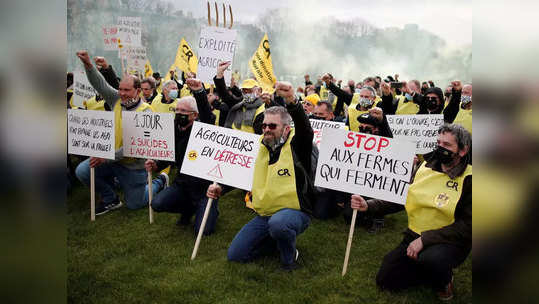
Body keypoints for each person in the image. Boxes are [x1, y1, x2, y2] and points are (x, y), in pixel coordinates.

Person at [351, 123, 472, 300]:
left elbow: (468, 226)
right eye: (438, 143)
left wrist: (425, 240)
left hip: (449, 242)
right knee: (385, 280)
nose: (440, 148)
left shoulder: (471, 179)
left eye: (447, 145)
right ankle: (427, 270)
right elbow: (403, 197)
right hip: (413, 235)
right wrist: (369, 205)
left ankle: (445, 282)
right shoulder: (424, 168)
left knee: (433, 260)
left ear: (463, 150)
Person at [206, 82, 314, 271]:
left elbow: (306, 130)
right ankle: (277, 241)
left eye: (272, 125)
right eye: (264, 125)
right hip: (265, 214)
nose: (266, 129)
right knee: (236, 256)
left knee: (279, 224)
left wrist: (291, 100)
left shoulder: (298, 144)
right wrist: (221, 189)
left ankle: (289, 259)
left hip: (295, 212)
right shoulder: (258, 145)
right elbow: (241, 173)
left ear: (286, 128)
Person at [74, 50, 153, 214]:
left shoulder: (146, 113)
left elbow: (132, 147)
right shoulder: (116, 99)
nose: (122, 93)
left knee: (135, 204)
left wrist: (105, 156)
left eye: (127, 90)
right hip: (112, 160)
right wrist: (88, 64)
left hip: (133, 167)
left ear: (138, 91)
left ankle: (159, 182)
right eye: (120, 89)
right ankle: (111, 199)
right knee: (82, 171)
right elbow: (99, 84)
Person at [144, 78, 218, 234]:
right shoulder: (174, 128)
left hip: (203, 188)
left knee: (204, 231)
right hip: (182, 183)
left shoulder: (203, 128)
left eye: (183, 111)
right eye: (177, 110)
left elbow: (208, 116)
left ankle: (209, 208)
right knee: (157, 203)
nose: (179, 113)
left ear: (194, 115)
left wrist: (199, 91)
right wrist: (157, 164)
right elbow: (171, 153)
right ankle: (188, 208)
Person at [214, 61, 265, 134]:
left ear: (258, 91)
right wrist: (219, 74)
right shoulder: (238, 105)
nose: (246, 94)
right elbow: (224, 95)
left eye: (249, 91)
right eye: (244, 91)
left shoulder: (263, 110)